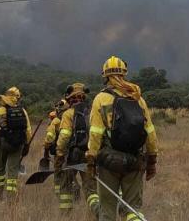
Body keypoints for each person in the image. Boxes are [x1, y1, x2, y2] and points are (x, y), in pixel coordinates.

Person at [87, 56, 159, 221]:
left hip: (108, 162)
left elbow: (95, 133)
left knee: (107, 210)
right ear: (124, 74)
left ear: (105, 76)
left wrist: (91, 160)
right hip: (135, 161)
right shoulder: (138, 98)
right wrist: (152, 161)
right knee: (133, 210)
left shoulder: (101, 99)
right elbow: (150, 133)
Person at [0, 86, 32, 200]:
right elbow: (28, 131)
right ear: (18, 98)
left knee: (0, 169)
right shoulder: (23, 111)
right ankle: (11, 198)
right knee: (13, 172)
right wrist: (27, 145)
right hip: (18, 145)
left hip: (1, 143)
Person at [56, 83, 99, 215]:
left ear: (69, 99)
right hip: (89, 154)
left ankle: (66, 214)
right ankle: (97, 212)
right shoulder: (92, 113)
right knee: (91, 188)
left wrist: (59, 153)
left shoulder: (68, 114)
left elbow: (64, 136)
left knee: (65, 185)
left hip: (72, 156)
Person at [42, 98, 67, 195]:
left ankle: (58, 193)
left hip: (59, 150)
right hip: (72, 151)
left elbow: (49, 137)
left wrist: (46, 151)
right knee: (69, 170)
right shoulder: (73, 117)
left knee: (58, 171)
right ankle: (73, 187)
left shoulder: (56, 121)